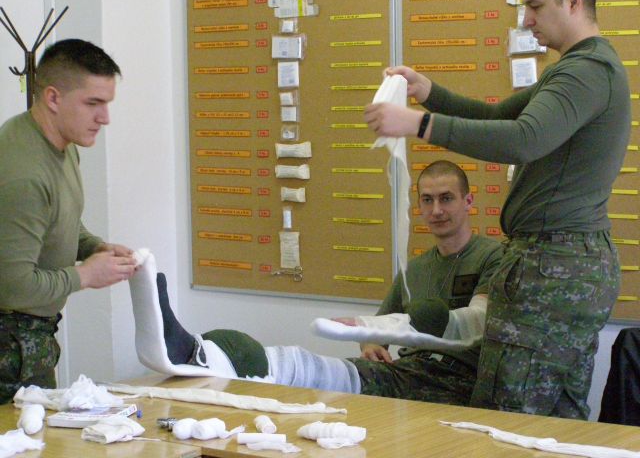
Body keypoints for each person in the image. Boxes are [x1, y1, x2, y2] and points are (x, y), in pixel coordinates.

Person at [363, 0, 630, 419]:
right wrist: (428, 93)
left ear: (573, 1)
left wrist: (418, 125)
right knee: (554, 419)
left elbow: (523, 139)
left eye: (536, 6)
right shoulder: (580, 68)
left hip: (553, 264)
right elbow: (497, 116)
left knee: (505, 416)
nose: (527, 20)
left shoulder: (586, 71)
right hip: (565, 261)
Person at [129, 161, 503, 406]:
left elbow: (477, 321)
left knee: (322, 379)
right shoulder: (415, 270)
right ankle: (200, 353)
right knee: (321, 377)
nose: (436, 210)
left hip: (458, 380)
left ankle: (201, 355)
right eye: (428, 200)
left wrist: (404, 325)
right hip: (410, 373)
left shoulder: (493, 257)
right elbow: (377, 330)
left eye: (446, 199)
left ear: (468, 201)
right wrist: (370, 341)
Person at [0, 39, 138, 404]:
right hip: (9, 343)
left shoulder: (64, 144)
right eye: (93, 103)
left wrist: (94, 247)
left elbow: (59, 220)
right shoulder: (24, 173)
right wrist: (86, 275)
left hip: (30, 337)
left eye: (107, 104)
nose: (104, 118)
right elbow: (13, 286)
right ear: (53, 98)